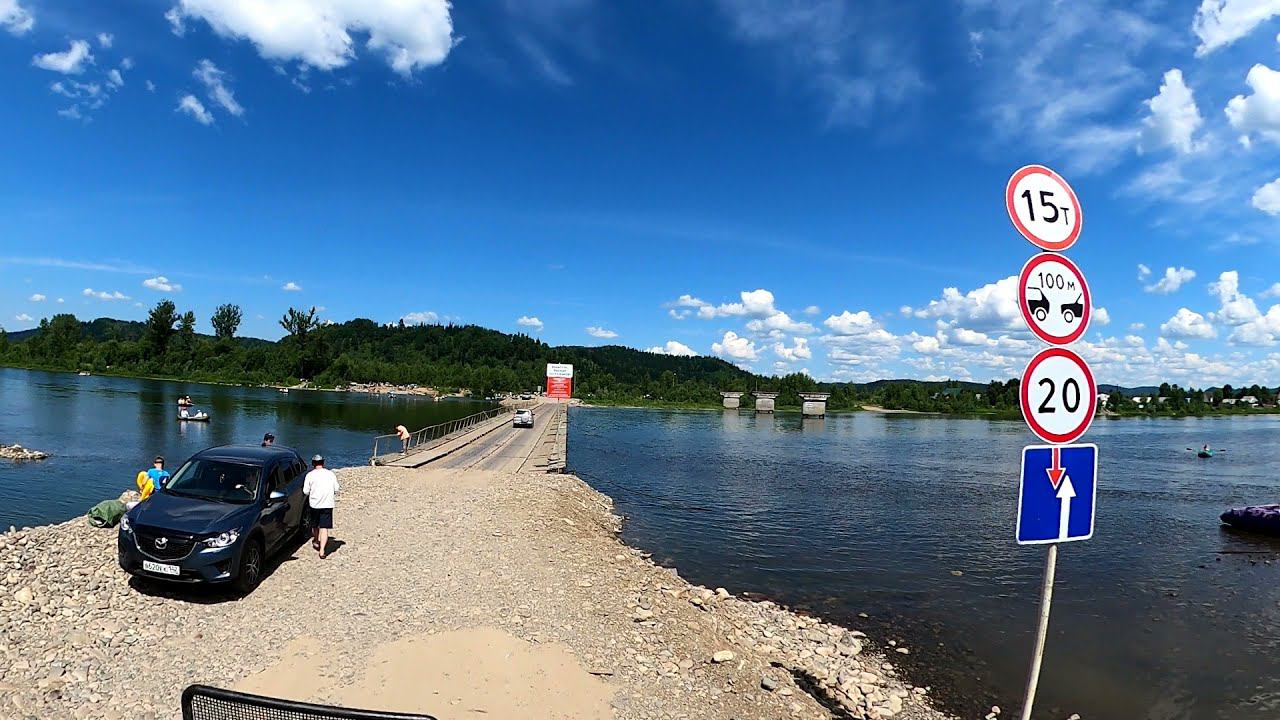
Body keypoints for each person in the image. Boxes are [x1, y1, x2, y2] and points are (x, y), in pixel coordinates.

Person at [302, 454, 339, 559]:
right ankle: (322, 551)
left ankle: (316, 540)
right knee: (324, 527)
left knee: (315, 525)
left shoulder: (310, 475)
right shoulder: (330, 474)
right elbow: (336, 488)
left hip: (314, 504)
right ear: (323, 462)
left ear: (313, 463)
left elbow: (305, 491)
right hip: (327, 504)